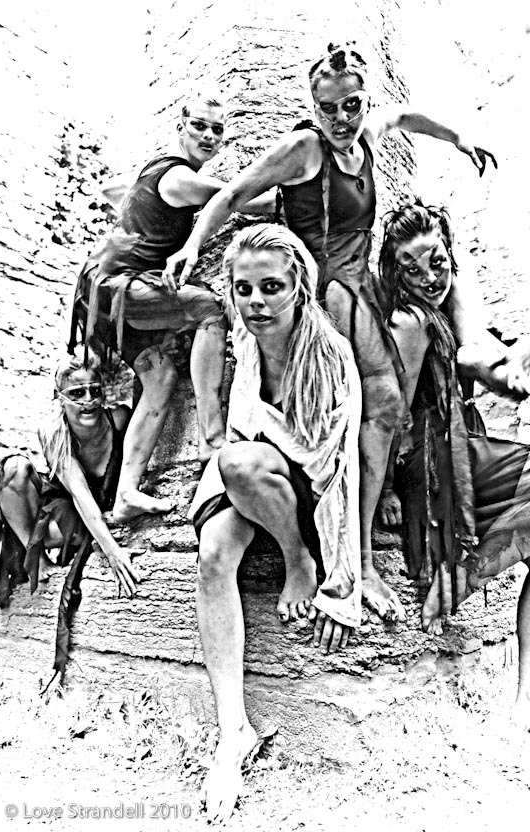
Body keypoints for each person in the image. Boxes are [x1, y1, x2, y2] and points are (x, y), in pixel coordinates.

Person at [166, 43, 502, 621]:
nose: (341, 119)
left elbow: (406, 116)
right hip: (323, 295)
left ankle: (375, 518)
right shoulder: (304, 149)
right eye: (328, 108)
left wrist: (459, 139)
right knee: (362, 410)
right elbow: (233, 192)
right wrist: (193, 245)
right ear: (312, 105)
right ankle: (353, 558)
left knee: (391, 401)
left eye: (352, 105)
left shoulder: (366, 133)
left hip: (360, 288)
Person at [189, 224, 362, 821]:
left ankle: (297, 560)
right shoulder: (247, 337)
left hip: (309, 489)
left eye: (271, 287)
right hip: (258, 471)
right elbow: (243, 432)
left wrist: (342, 585)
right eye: (243, 288)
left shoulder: (329, 358)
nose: (256, 301)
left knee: (238, 463)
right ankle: (232, 730)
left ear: (299, 288)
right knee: (213, 554)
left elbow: (340, 471)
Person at [379, 201, 530, 735]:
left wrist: (513, 363)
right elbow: (390, 415)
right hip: (428, 459)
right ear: (394, 273)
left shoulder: (449, 310)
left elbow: (480, 356)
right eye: (411, 269)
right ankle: (460, 579)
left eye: (437, 262)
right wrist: (384, 488)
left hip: (461, 442)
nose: (428, 278)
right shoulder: (409, 321)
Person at [68, 92, 273, 523]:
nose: (208, 136)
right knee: (210, 308)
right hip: (118, 290)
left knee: (158, 376)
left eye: (217, 129)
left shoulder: (155, 171)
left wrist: (141, 214)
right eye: (199, 125)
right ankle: (211, 439)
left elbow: (109, 189)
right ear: (180, 127)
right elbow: (243, 200)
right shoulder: (179, 178)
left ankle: (126, 493)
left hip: (100, 297)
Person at [0, 356, 139, 674]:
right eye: (76, 393)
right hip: (68, 504)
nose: (88, 400)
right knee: (12, 469)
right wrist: (112, 551)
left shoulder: (118, 418)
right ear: (60, 397)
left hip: (101, 505)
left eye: (94, 390)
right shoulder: (53, 430)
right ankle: (35, 555)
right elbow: (79, 493)